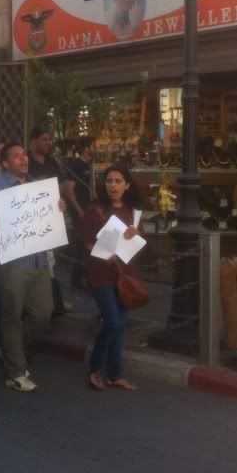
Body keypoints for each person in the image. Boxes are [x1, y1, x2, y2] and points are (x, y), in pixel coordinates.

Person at [0, 142, 67, 392]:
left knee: (43, 313)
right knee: (12, 317)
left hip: (39, 259)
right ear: (5, 163)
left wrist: (57, 209)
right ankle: (16, 372)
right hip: (13, 262)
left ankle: (9, 349)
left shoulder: (37, 186)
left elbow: (47, 219)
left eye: (24, 155)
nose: (23, 159)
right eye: (16, 156)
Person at [83, 165, 141, 392]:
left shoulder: (132, 212)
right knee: (113, 322)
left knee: (120, 326)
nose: (113, 185)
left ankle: (115, 374)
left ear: (127, 185)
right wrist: (106, 256)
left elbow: (137, 244)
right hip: (101, 274)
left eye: (118, 181)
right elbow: (88, 242)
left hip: (124, 277)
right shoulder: (95, 209)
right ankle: (95, 369)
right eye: (109, 181)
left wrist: (135, 235)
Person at [28, 127, 72, 316]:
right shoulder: (26, 161)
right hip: (32, 217)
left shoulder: (52, 162)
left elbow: (63, 185)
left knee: (50, 259)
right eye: (44, 139)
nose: (48, 143)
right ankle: (46, 300)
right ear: (34, 141)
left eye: (50, 139)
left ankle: (53, 299)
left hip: (51, 215)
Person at [65, 136, 97, 288]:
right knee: (82, 244)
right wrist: (78, 210)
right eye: (92, 145)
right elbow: (69, 191)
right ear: (85, 148)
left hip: (90, 208)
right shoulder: (75, 166)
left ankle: (83, 278)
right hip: (80, 210)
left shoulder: (90, 164)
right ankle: (78, 279)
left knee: (88, 242)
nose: (95, 148)